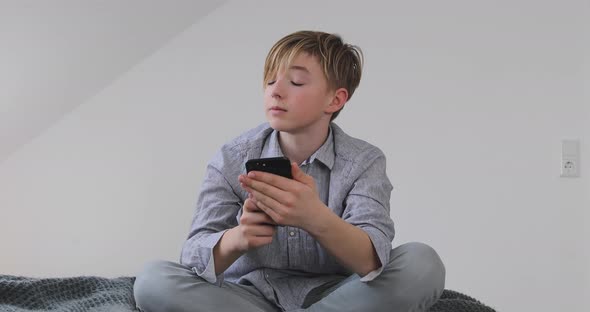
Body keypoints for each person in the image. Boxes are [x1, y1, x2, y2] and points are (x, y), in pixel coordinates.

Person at [134, 30, 445, 312]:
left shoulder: (364, 161)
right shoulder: (231, 158)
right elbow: (192, 256)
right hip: (248, 297)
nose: (276, 91)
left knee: (422, 263)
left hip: (336, 295)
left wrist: (314, 217)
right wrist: (239, 237)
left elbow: (371, 261)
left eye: (295, 82)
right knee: (152, 280)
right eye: (270, 81)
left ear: (334, 99)